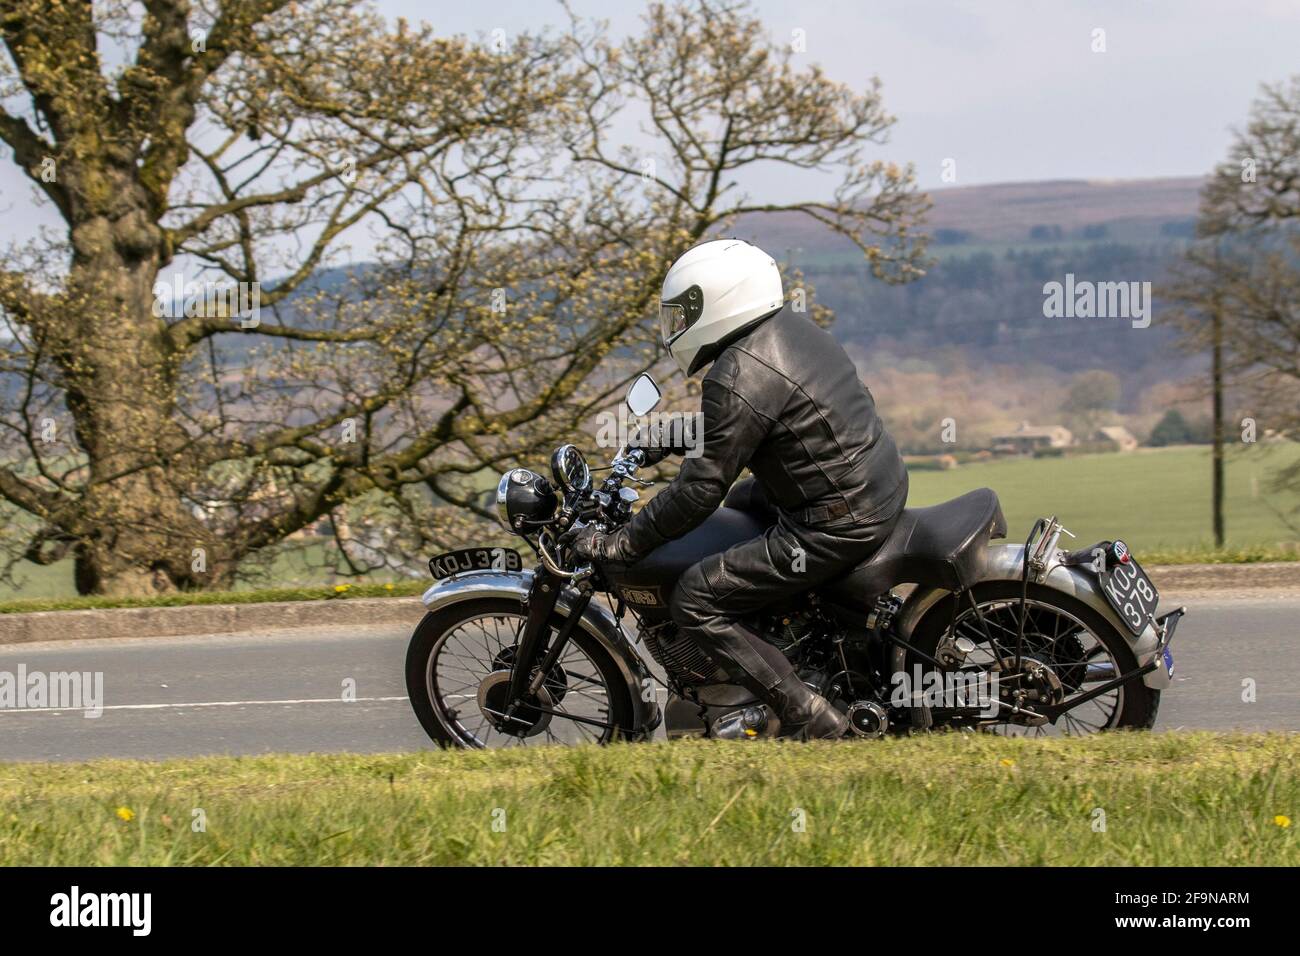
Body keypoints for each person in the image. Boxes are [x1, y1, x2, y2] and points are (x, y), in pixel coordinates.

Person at [564, 239, 909, 739]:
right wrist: (662, 437)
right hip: (867, 486)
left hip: (837, 518)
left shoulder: (740, 372)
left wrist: (621, 542)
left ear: (719, 302)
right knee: (741, 505)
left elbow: (698, 491)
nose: (676, 326)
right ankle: (797, 631)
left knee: (697, 597)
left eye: (685, 312)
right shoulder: (788, 332)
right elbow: (737, 427)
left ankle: (810, 718)